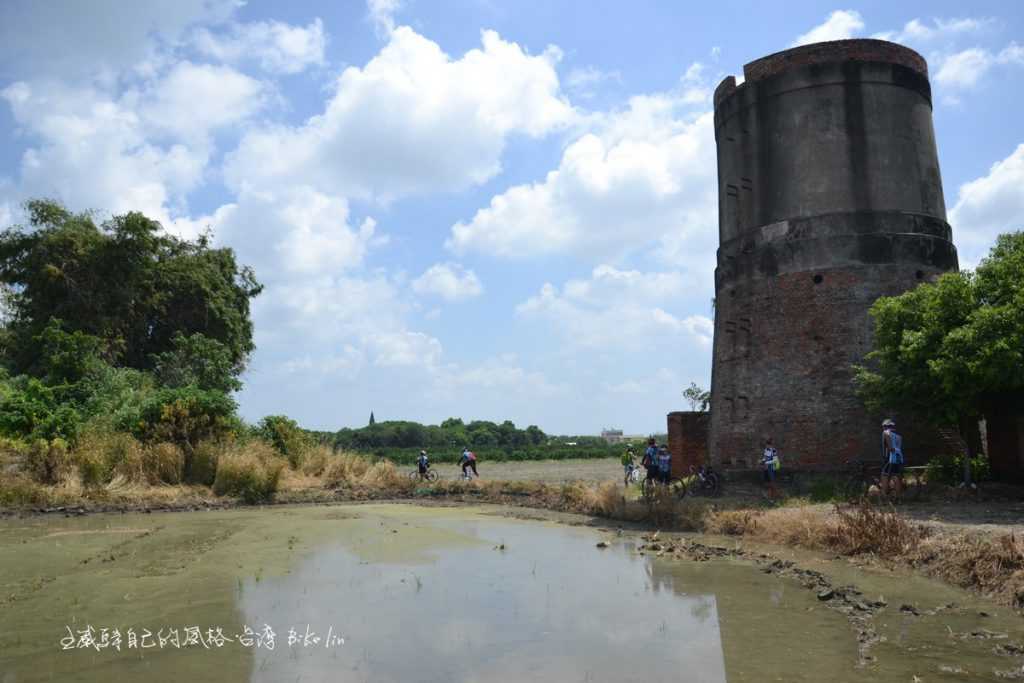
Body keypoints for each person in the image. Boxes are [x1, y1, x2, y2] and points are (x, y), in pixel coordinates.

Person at [880, 419, 904, 498]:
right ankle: (898, 497)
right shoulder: (898, 436)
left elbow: (890, 448)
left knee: (884, 476)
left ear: (885, 426)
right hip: (898, 458)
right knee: (897, 476)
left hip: (889, 458)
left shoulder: (886, 433)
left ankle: (884, 496)